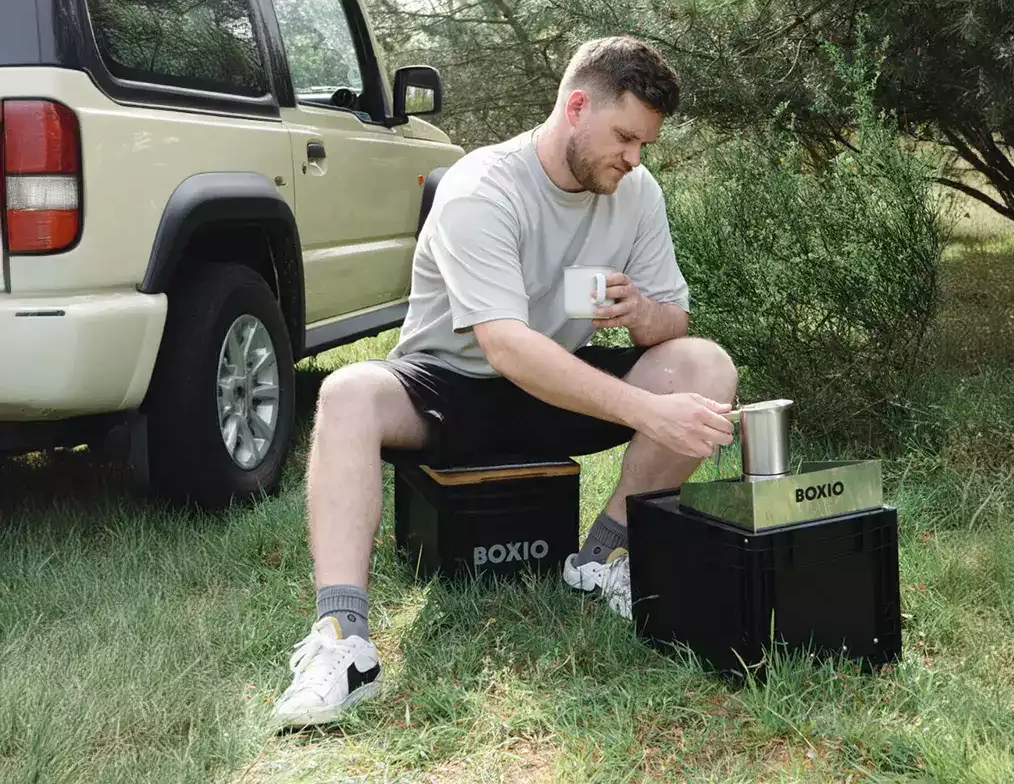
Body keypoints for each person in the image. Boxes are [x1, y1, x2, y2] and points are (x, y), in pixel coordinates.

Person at [273, 35, 739, 728]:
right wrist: (649, 412)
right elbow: (507, 347)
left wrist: (643, 313)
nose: (635, 157)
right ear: (576, 106)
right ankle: (343, 641)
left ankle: (603, 557)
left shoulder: (636, 191)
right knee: (346, 394)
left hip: (559, 382)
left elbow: (674, 318)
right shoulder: (481, 186)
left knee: (706, 366)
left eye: (645, 143)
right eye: (624, 137)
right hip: (450, 387)